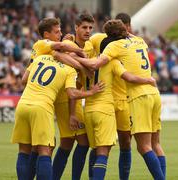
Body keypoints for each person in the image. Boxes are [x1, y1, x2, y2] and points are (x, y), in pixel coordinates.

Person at [78, 19, 166, 180]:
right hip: (154, 94)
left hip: (138, 96)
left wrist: (75, 59)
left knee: (143, 147)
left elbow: (97, 63)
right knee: (155, 144)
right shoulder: (140, 40)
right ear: (125, 30)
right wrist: (149, 79)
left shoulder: (113, 46)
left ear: (108, 35)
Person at [11, 54, 104, 180]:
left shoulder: (40, 58)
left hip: (22, 105)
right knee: (46, 150)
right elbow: (71, 93)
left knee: (23, 151)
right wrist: (91, 92)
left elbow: (24, 79)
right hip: (42, 107)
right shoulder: (69, 70)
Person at [52, 13, 95, 180]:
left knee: (67, 143)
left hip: (74, 96)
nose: (88, 31)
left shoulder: (89, 45)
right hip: (66, 97)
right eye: (84, 27)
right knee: (84, 143)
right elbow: (63, 55)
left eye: (90, 27)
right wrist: (72, 114)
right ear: (76, 27)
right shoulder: (68, 43)